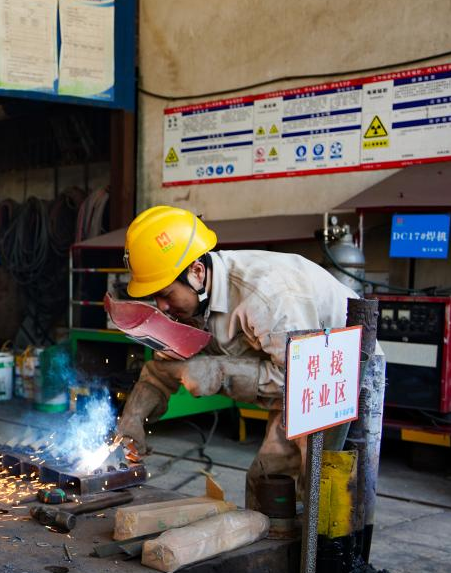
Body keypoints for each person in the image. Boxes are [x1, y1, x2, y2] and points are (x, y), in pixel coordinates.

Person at [112, 205, 357, 504]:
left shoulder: (267, 295)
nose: (161, 306)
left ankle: (331, 551)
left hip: (339, 387)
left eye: (165, 294)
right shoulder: (190, 301)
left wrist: (218, 372)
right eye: (155, 297)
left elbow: (301, 380)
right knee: (268, 484)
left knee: (323, 500)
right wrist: (133, 419)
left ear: (196, 272)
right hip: (294, 389)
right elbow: (165, 369)